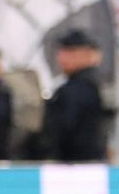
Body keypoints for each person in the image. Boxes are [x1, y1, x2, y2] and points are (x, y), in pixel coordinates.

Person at [43, 27, 107, 162]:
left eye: (70, 51)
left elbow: (64, 132)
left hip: (76, 166)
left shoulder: (80, 89)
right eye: (61, 51)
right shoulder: (93, 84)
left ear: (87, 53)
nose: (61, 57)